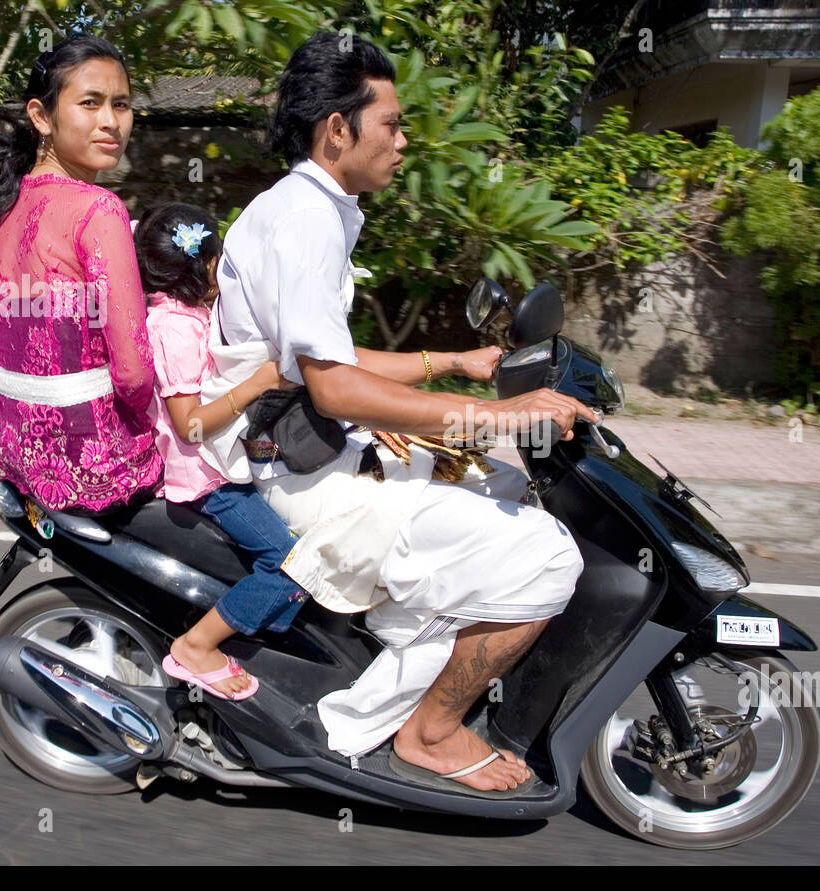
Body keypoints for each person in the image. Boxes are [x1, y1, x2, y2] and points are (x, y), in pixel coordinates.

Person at [208, 31, 598, 794]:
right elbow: (335, 389)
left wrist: (456, 362)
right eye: (391, 123)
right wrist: (494, 418)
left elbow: (325, 358)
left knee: (505, 495)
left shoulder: (314, 209)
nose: (404, 139)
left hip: (309, 448)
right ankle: (430, 731)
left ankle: (394, 675)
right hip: (301, 475)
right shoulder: (304, 221)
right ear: (338, 130)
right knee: (550, 556)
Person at [0, 36, 161, 515]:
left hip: (15, 456)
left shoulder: (5, 206)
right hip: (94, 465)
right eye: (90, 103)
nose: (111, 121)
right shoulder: (99, 209)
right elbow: (133, 374)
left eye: (121, 104)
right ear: (41, 116)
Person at [132, 201, 309, 701]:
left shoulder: (193, 313)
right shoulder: (171, 329)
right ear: (203, 267)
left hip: (231, 454)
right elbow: (190, 427)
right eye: (220, 263)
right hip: (207, 477)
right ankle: (197, 645)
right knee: (289, 561)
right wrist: (258, 382)